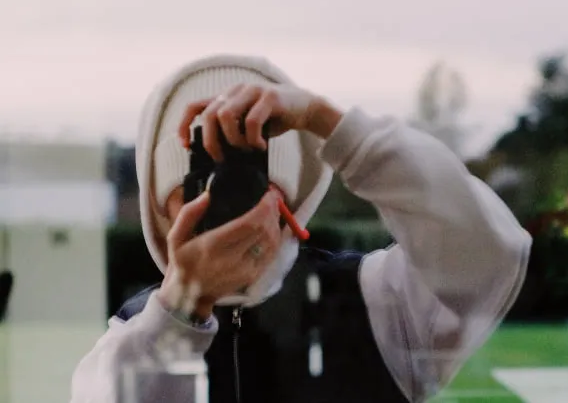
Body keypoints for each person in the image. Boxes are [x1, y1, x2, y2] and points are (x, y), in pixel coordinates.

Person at [70, 54, 531, 403]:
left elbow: (489, 252)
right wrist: (182, 307)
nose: (223, 200)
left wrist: (328, 124)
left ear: (289, 201)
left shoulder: (379, 302)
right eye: (198, 179)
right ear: (162, 208)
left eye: (245, 178)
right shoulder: (128, 340)